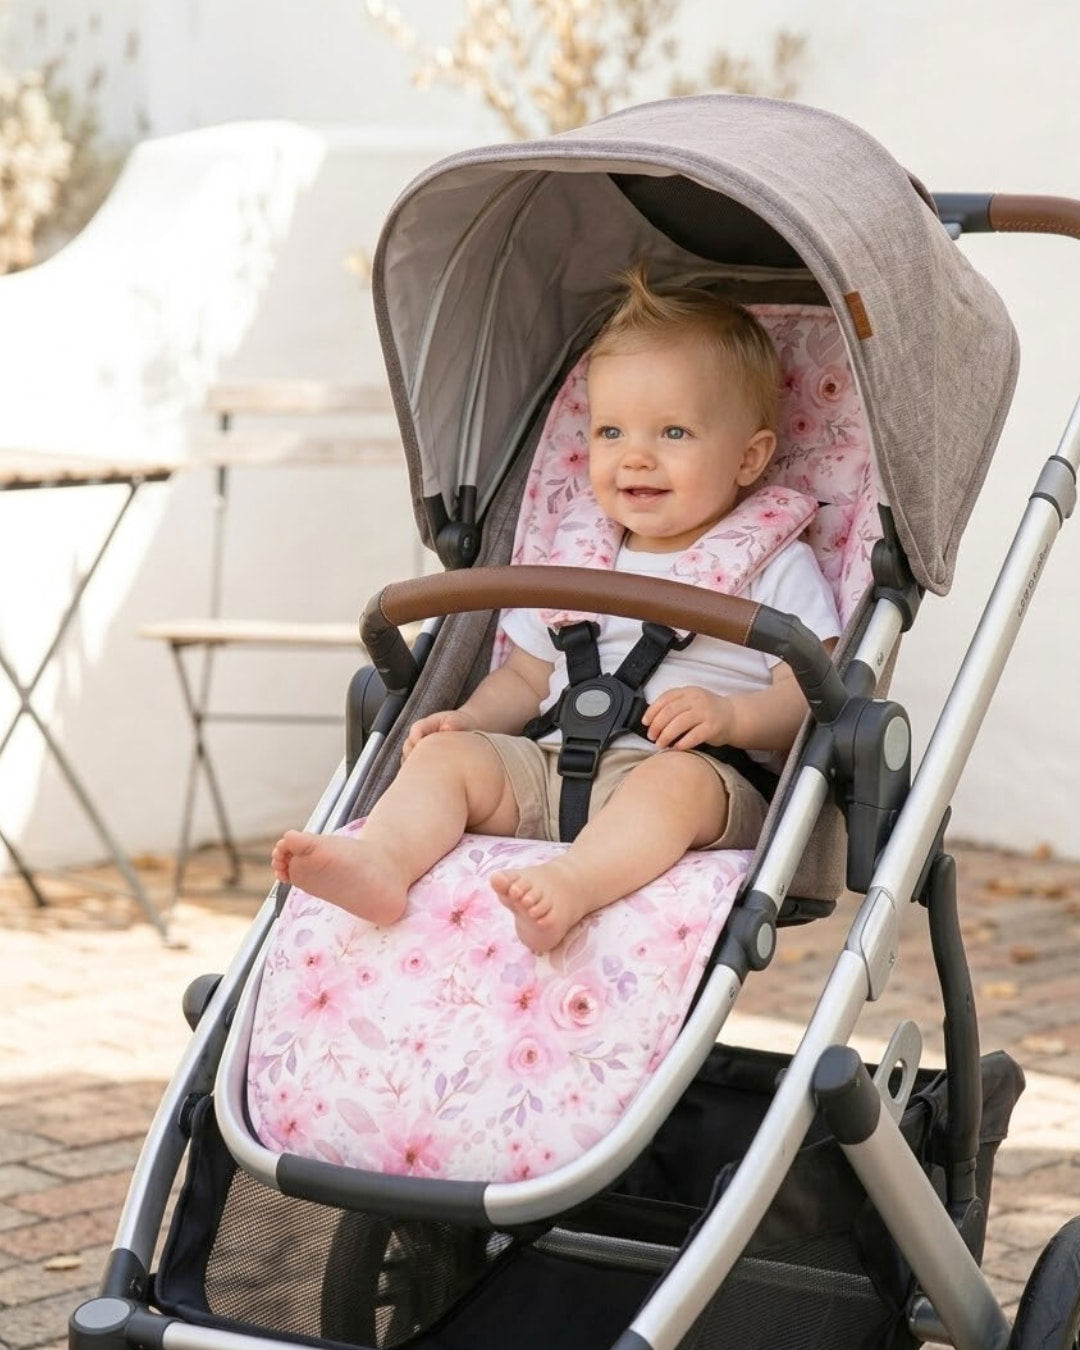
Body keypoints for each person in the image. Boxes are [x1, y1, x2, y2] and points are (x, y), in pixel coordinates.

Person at [272, 266, 841, 954]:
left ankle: (570, 886)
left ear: (750, 458)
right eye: (611, 432)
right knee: (446, 757)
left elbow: (813, 694)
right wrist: (470, 720)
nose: (636, 458)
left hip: (699, 776)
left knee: (674, 785)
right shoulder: (576, 554)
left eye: (673, 433)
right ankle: (382, 861)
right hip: (549, 765)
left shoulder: (774, 564)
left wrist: (732, 717)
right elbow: (525, 678)